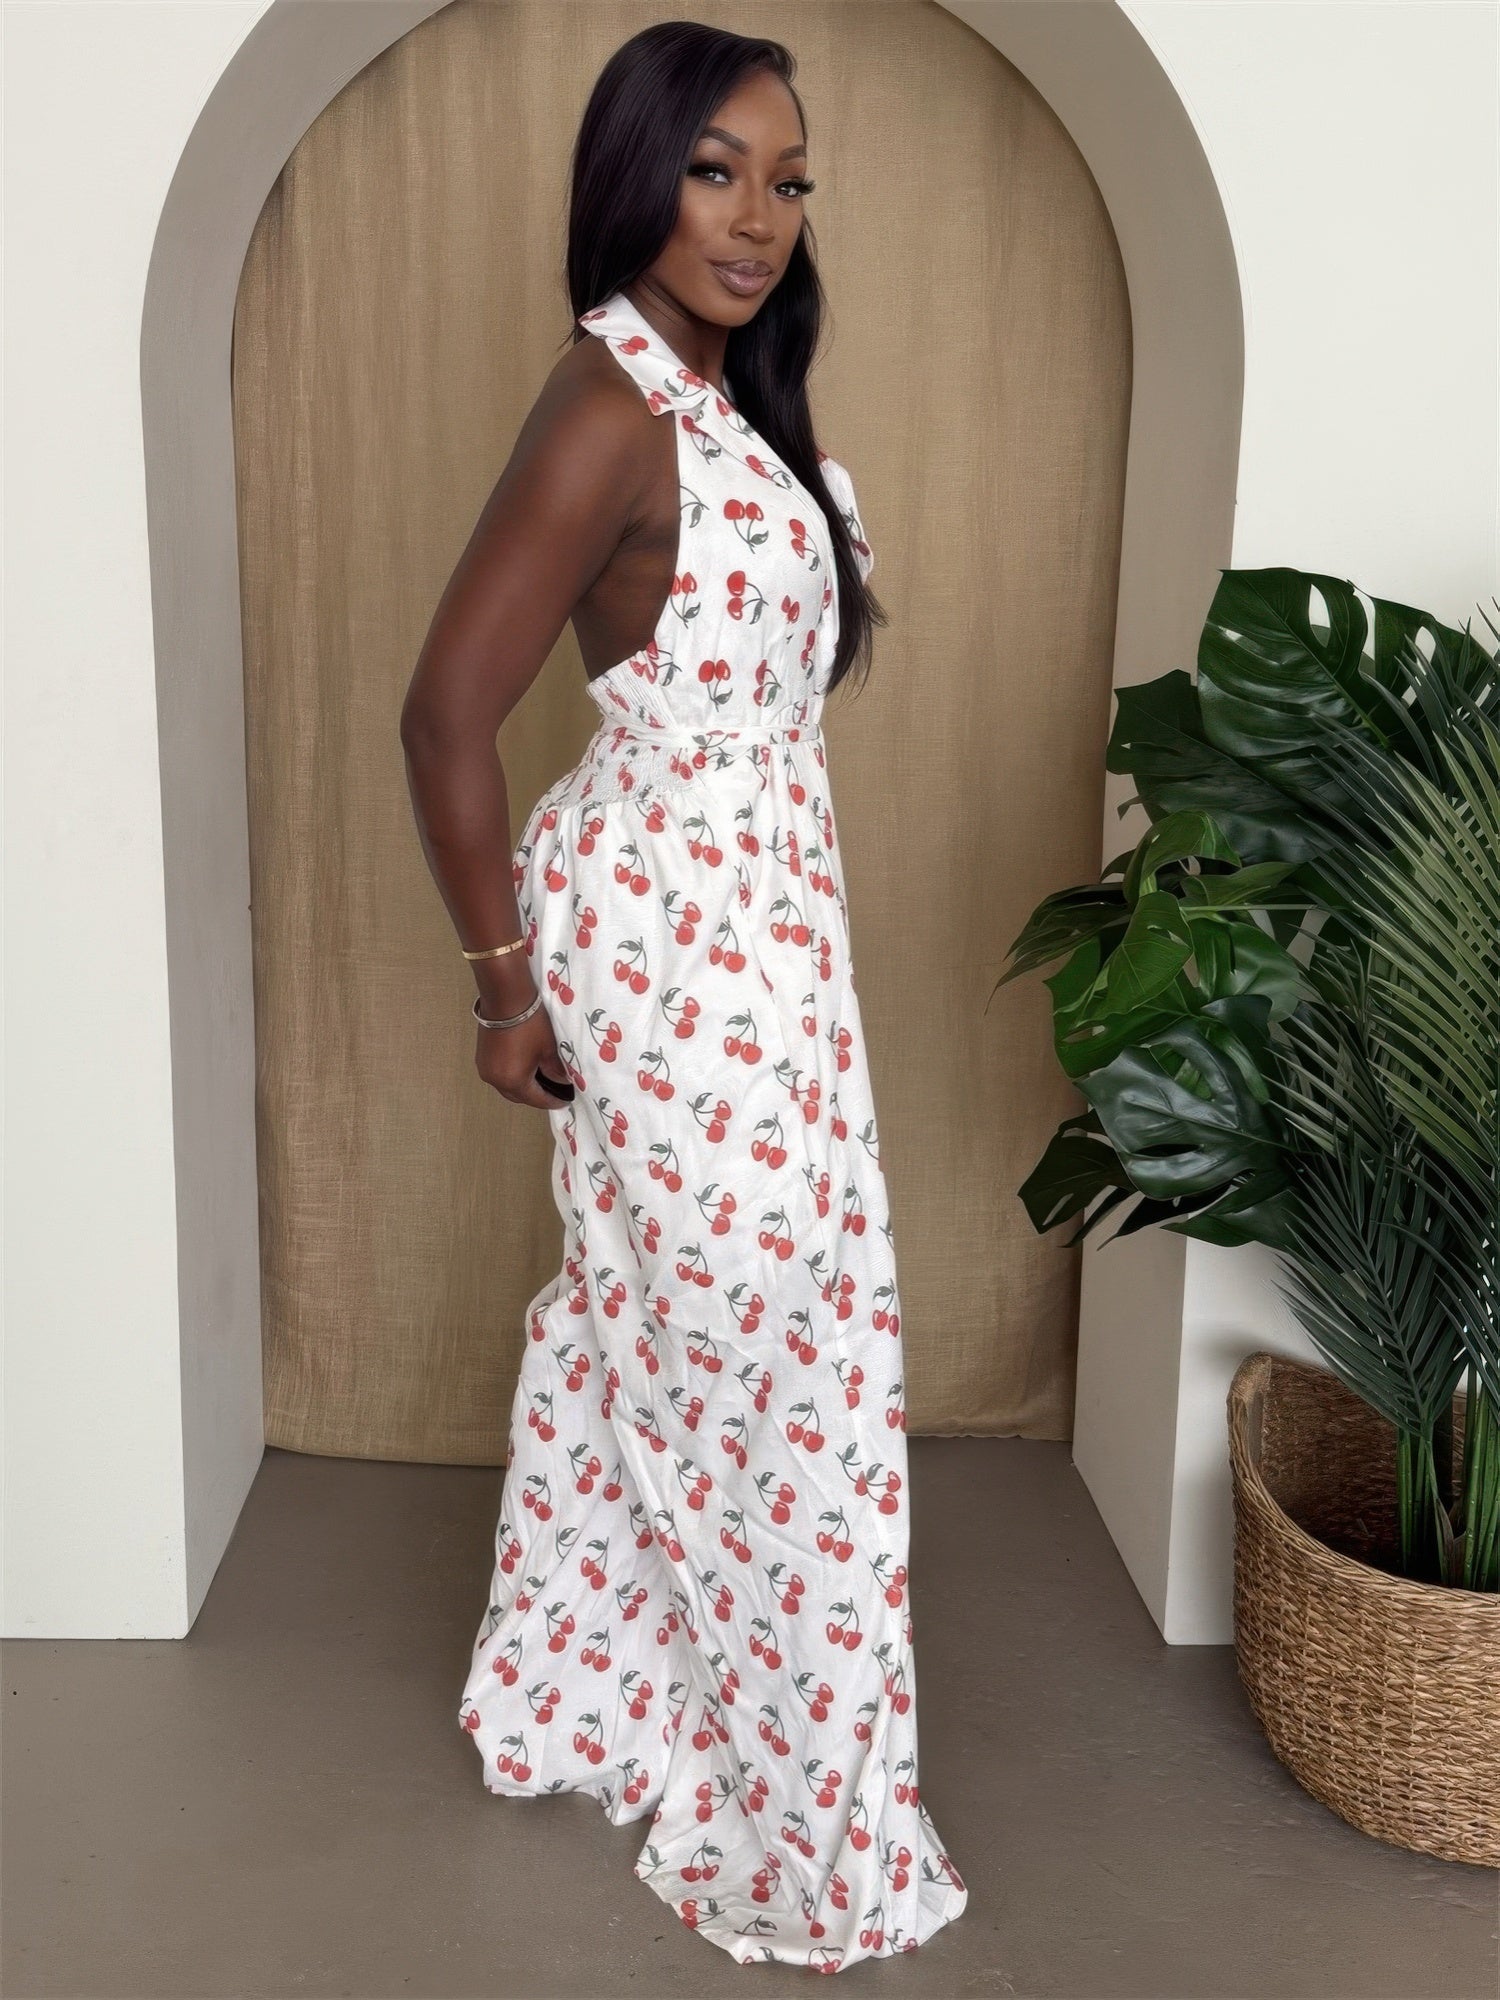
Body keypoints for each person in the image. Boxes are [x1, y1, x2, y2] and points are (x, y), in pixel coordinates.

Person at [400, 19, 969, 1973]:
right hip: (661, 947)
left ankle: (577, 1695)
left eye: (787, 179)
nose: (756, 215)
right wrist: (503, 993)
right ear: (637, 174)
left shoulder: (736, 402)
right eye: (717, 169)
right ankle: (797, 1800)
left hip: (769, 936)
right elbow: (445, 712)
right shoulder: (608, 404)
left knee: (669, 1329)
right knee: (759, 1365)